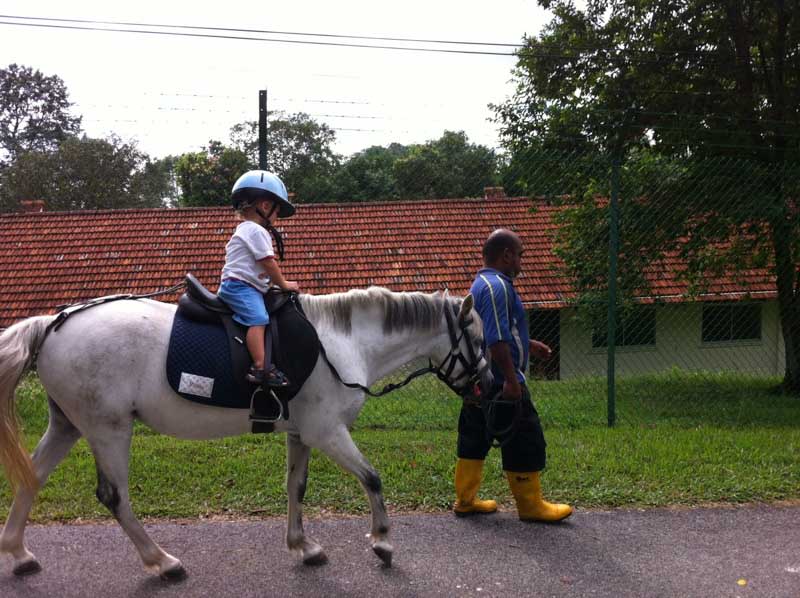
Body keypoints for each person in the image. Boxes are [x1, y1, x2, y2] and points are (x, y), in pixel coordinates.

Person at [453, 228, 573, 522]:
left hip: (479, 380)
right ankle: (531, 505)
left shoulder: (480, 283)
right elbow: (495, 339)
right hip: (499, 380)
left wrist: (528, 345)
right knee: (524, 436)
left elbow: (492, 332)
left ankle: (465, 500)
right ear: (506, 255)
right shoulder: (497, 287)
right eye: (520, 255)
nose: (521, 261)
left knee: (475, 435)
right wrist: (510, 379)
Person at [217, 170, 300, 387]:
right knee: (258, 318)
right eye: (276, 210)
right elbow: (268, 262)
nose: (276, 217)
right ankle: (261, 367)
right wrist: (283, 284)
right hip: (239, 287)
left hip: (243, 285)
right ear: (264, 206)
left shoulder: (246, 229)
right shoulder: (256, 231)